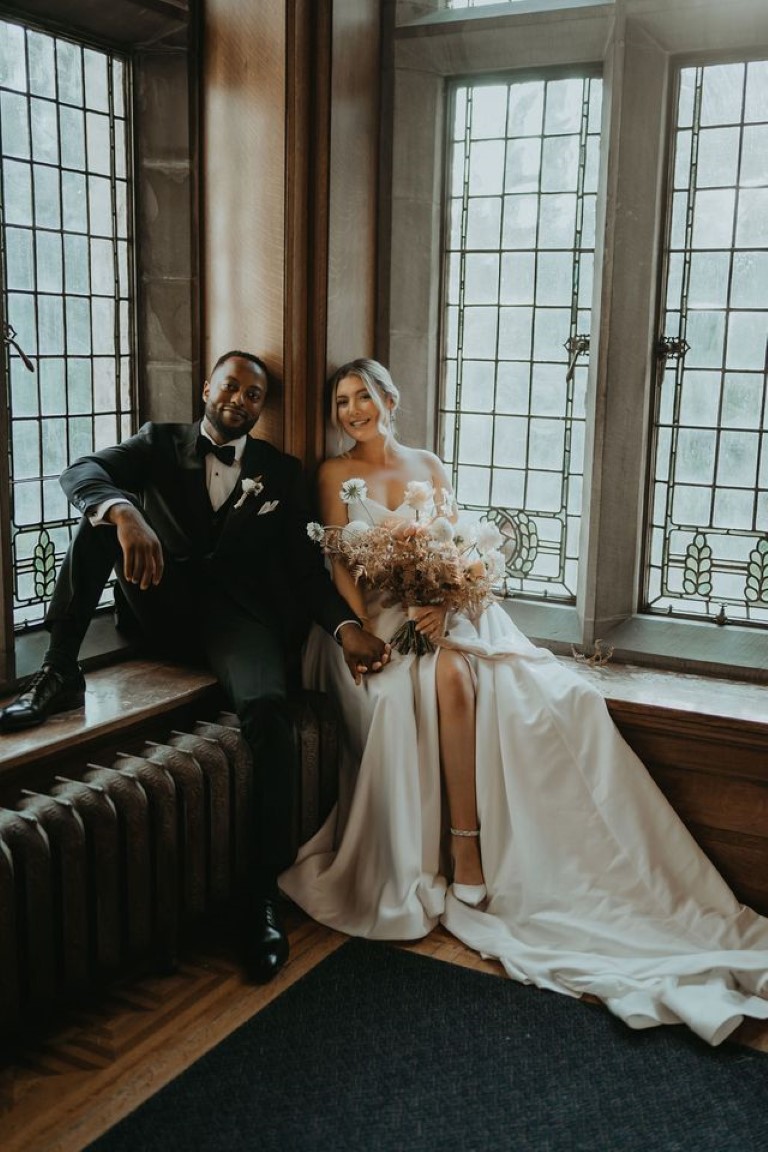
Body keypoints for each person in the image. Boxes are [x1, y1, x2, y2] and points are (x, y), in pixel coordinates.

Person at [279, 357, 768, 1046]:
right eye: (341, 401)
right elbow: (339, 566)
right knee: (429, 687)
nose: (352, 410)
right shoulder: (333, 475)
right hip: (369, 625)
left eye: (363, 396)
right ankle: (449, 858)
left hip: (440, 613)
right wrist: (361, 634)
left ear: (392, 398)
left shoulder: (429, 462)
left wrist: (443, 604)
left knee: (525, 693)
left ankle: (479, 852)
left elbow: (450, 549)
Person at [0, 351, 389, 982]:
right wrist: (125, 512)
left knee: (269, 712)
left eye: (254, 394)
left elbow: (301, 567)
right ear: (207, 387)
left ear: (261, 407)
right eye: (230, 385)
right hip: (162, 609)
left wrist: (345, 627)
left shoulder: (280, 473)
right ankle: (60, 671)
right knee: (100, 517)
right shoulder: (159, 442)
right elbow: (82, 470)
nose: (239, 399)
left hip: (238, 622)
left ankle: (261, 895)